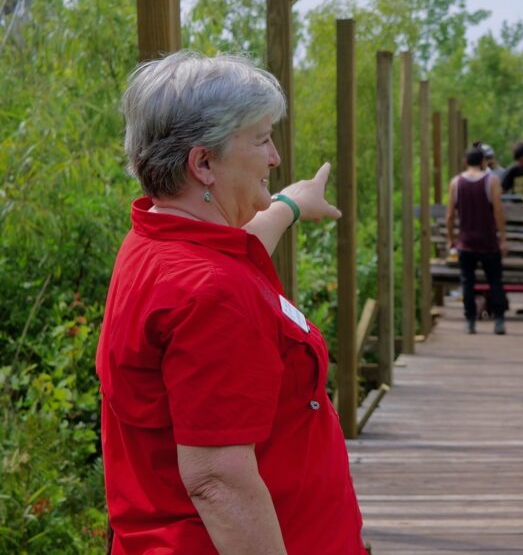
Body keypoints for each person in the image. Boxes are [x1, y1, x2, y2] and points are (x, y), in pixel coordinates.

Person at [95, 51, 367, 555]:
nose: (275, 157)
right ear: (203, 163)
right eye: (262, 139)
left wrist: (288, 204)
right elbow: (219, 482)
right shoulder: (212, 293)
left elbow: (240, 250)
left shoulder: (158, 245)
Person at [446, 143, 508, 335]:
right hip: (488, 242)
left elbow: (449, 216)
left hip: (466, 242)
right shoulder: (492, 181)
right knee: (495, 281)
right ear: (483, 162)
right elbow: (498, 211)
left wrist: (451, 239)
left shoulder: (456, 183)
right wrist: (503, 237)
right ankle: (498, 320)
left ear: (465, 162)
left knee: (467, 283)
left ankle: (470, 321)